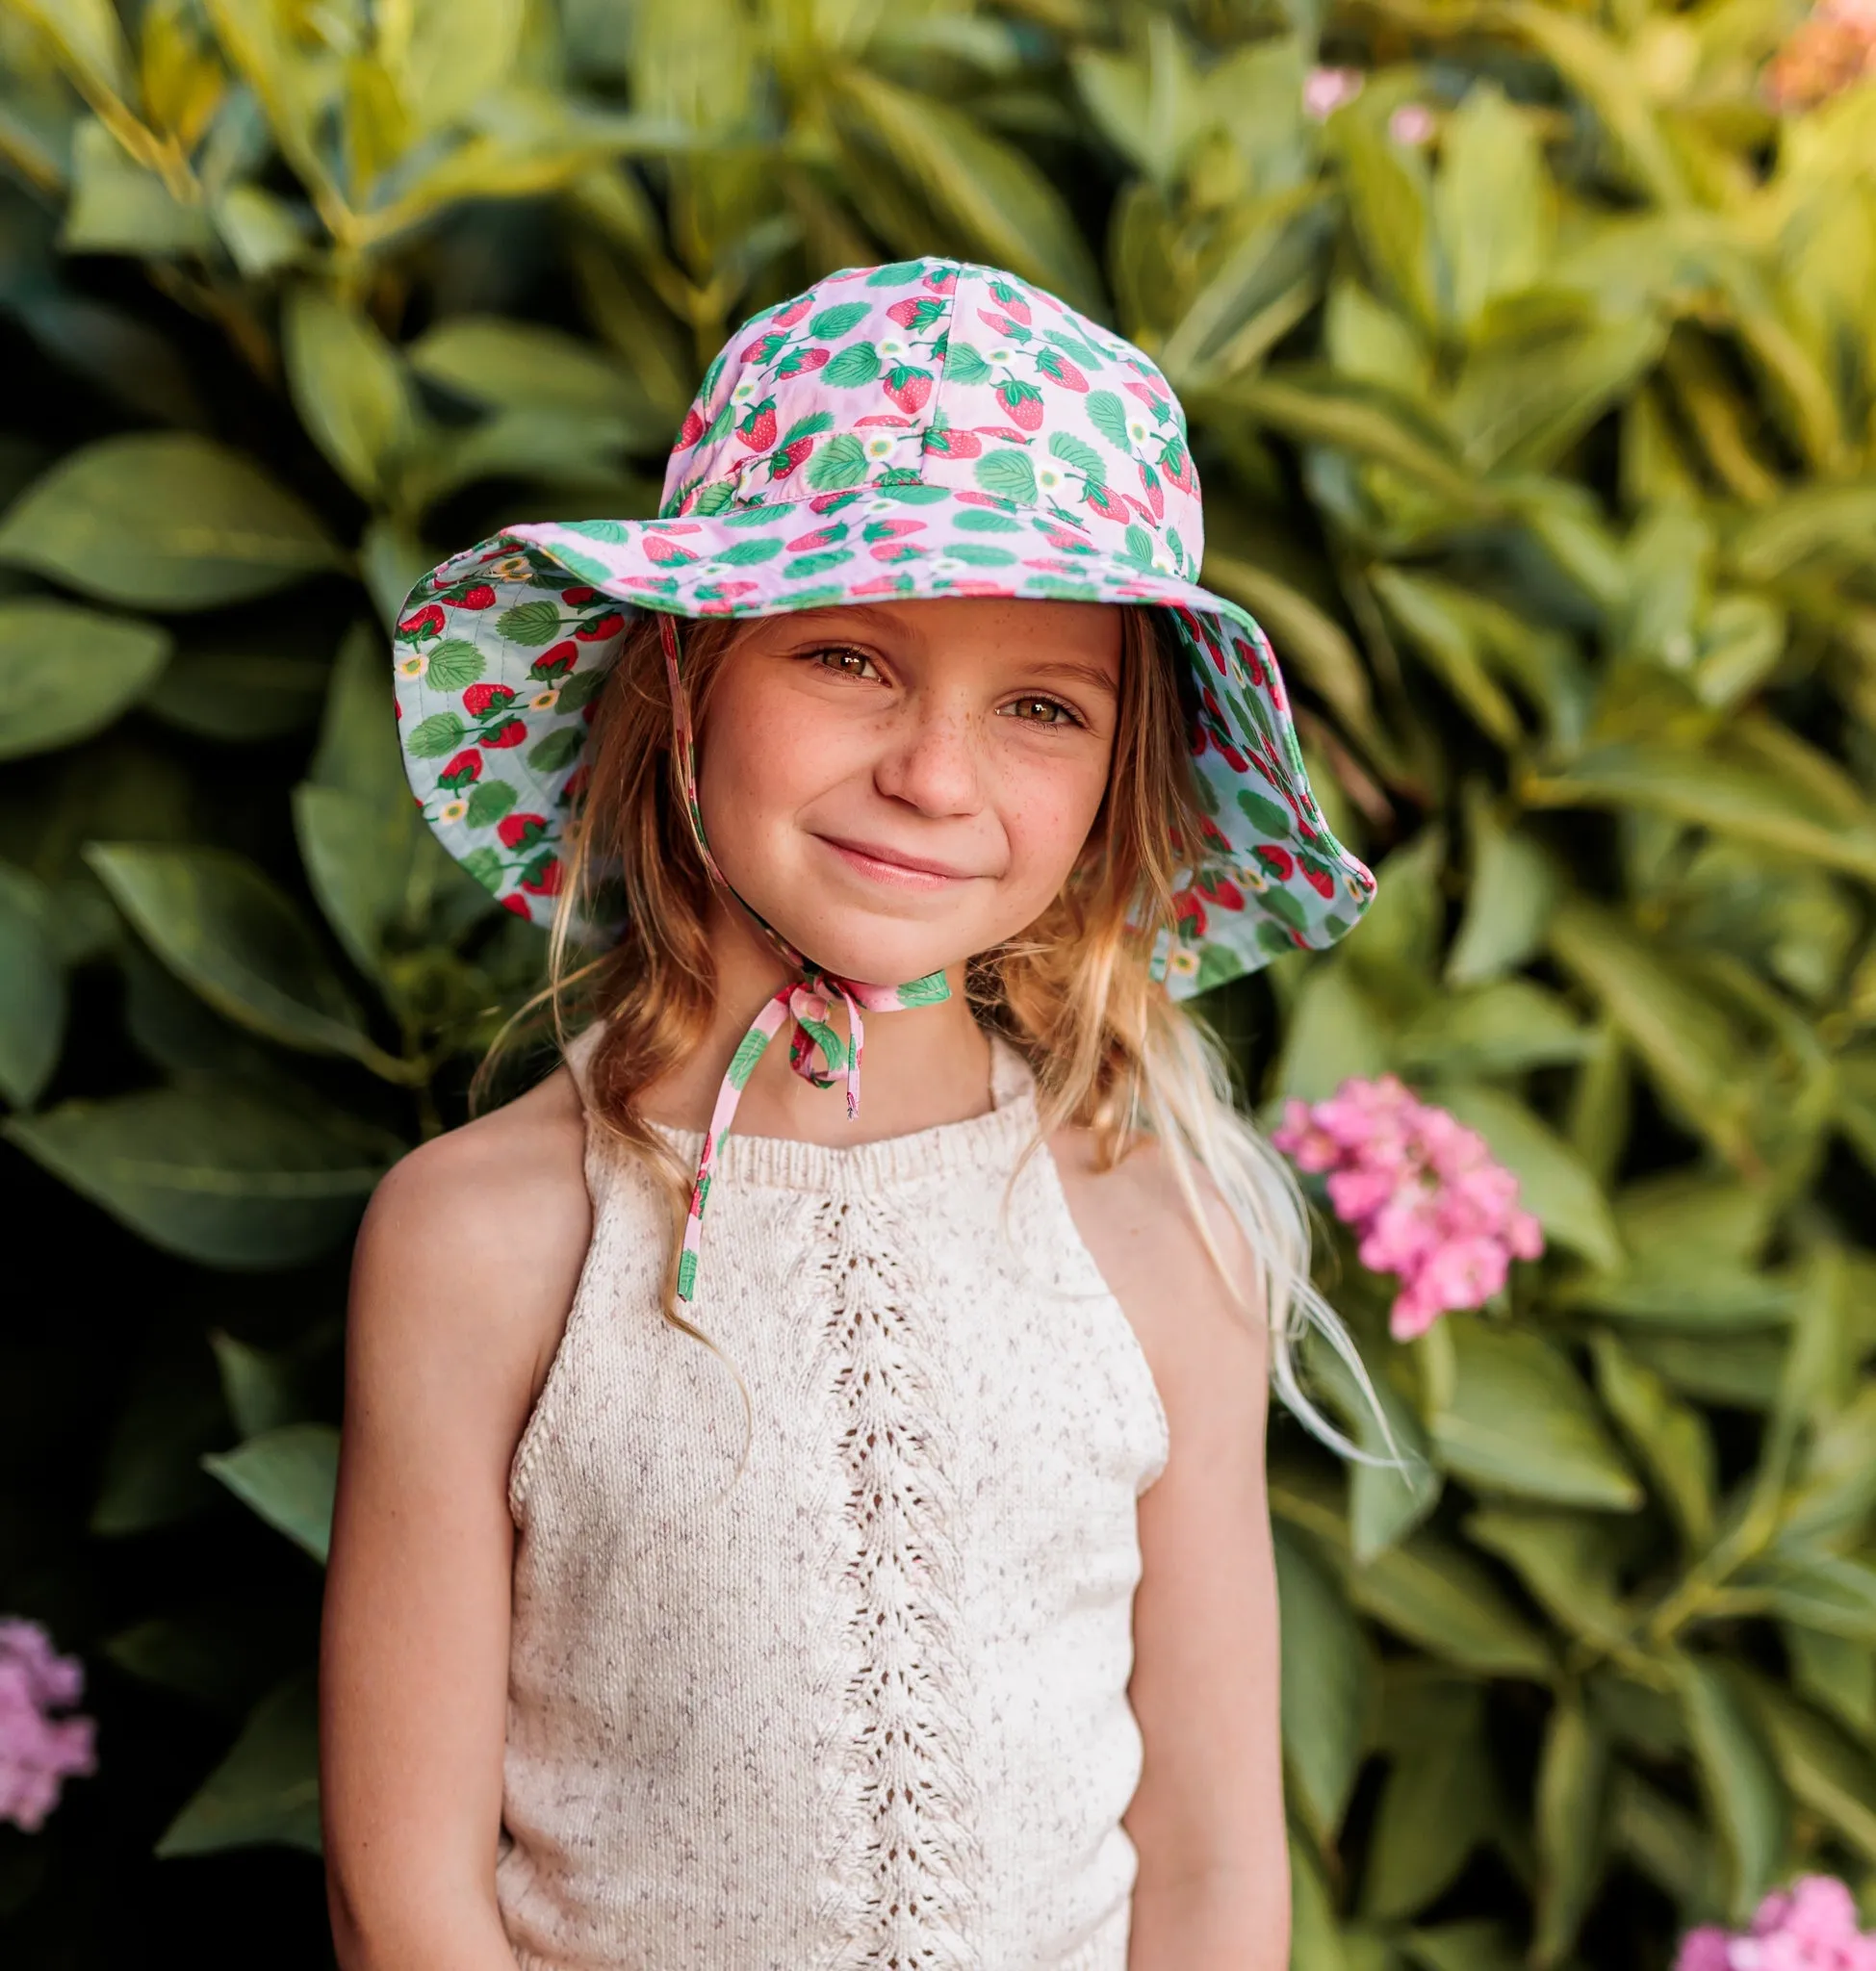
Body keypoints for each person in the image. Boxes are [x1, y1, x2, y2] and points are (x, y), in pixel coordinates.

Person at [319, 255, 1378, 1971]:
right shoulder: (488, 1238)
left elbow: (1207, 1875)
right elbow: (405, 1900)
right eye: (849, 659)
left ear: (1118, 786)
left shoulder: (1157, 1241)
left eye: (1041, 706)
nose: (936, 776)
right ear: (686, 681)